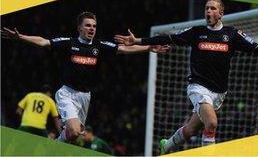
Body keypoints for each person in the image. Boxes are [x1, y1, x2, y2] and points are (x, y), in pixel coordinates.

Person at [114, 0, 258, 154]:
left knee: (191, 130)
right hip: (198, 87)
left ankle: (166, 146)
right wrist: (138, 40)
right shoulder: (196, 32)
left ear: (221, 13)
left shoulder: (233, 35)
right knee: (212, 123)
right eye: (206, 8)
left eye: (212, 8)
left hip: (219, 93)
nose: (208, 11)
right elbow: (169, 38)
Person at [2, 11, 169, 143]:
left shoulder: (99, 46)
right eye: (88, 25)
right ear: (80, 28)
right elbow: (44, 42)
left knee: (74, 136)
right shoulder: (70, 43)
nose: (92, 29)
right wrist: (20, 37)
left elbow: (124, 50)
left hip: (85, 97)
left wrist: (148, 48)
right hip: (67, 93)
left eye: (94, 26)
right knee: (74, 131)